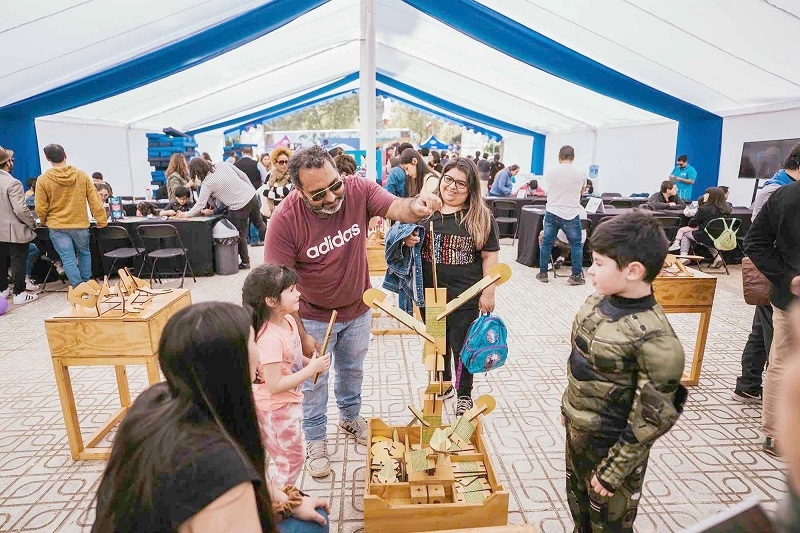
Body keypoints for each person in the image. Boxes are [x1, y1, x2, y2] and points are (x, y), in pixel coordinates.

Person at [263, 145, 443, 478]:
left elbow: (396, 206)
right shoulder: (285, 221)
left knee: (353, 369)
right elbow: (275, 287)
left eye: (335, 186)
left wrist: (417, 206)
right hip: (313, 317)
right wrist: (299, 334)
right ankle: (315, 437)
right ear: (298, 192)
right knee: (314, 380)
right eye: (318, 194)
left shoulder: (358, 189)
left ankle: (349, 417)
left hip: (358, 307)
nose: (332, 198)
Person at [91, 302, 330, 532]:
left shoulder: (158, 400)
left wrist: (288, 501)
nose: (259, 352)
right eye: (252, 342)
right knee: (314, 524)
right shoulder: (221, 466)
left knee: (304, 507)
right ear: (232, 364)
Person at [563, 210, 687, 532]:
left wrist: (614, 470)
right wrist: (568, 410)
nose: (590, 271)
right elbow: (580, 362)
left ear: (633, 270)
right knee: (580, 512)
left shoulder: (657, 338)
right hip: (579, 436)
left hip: (613, 450)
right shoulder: (596, 303)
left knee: (609, 523)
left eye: (599, 263)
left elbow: (653, 416)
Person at [404, 157, 500, 416]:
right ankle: (442, 383)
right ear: (441, 178)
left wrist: (488, 291)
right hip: (431, 295)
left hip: (465, 297)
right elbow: (404, 237)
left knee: (462, 346)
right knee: (436, 344)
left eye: (461, 183)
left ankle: (464, 394)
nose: (453, 187)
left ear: (471, 189)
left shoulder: (480, 217)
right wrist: (409, 239)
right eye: (449, 179)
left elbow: (490, 256)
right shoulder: (426, 211)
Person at [243, 265, 331, 485]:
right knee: (290, 461)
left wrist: (312, 363)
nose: (298, 293)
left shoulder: (289, 320)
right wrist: (310, 370)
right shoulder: (269, 339)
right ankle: (280, 503)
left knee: (292, 457)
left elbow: (293, 359)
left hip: (288, 403)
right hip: (275, 410)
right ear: (271, 301)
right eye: (291, 290)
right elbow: (274, 385)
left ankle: (281, 497)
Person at [732, 149, 799, 404]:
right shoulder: (777, 191)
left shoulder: (781, 187)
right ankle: (753, 385)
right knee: (770, 336)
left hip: (777, 275)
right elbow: (759, 237)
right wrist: (785, 275)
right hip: (775, 275)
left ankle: (748, 384)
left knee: (761, 329)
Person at [745, 179, 800, 457]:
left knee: (782, 361)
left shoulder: (783, 195)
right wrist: (788, 279)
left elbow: (754, 242)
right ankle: (776, 433)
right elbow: (754, 243)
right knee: (783, 362)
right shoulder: (785, 196)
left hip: (789, 293)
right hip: (791, 299)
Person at [35, 144, 107, 287]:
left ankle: (78, 287)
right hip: (79, 224)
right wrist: (101, 220)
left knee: (67, 258)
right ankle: (88, 282)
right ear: (65, 155)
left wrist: (43, 220)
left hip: (57, 225)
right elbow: (95, 200)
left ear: (47, 158)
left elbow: (41, 206)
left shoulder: (43, 180)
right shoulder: (81, 176)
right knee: (84, 253)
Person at [181, 158, 266, 269]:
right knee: (259, 223)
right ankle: (275, 246)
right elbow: (243, 175)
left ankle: (245, 262)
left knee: (240, 234)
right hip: (251, 196)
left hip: (238, 207)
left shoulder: (207, 183)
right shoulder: (222, 164)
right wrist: (250, 189)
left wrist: (186, 214)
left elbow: (200, 204)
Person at [537, 146, 587, 285]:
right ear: (573, 158)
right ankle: (576, 276)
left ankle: (543, 273)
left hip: (552, 211)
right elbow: (582, 192)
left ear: (559, 157)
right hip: (571, 212)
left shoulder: (550, 172)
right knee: (576, 245)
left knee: (547, 242)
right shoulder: (581, 174)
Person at [0, 146, 38, 305]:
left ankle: (3, 290)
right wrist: (32, 223)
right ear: (7, 162)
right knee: (19, 260)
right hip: (14, 229)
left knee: (1, 261)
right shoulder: (12, 182)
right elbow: (20, 209)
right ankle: (19, 292)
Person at [676, 187, 730, 267]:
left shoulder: (704, 209)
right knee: (710, 235)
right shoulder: (726, 210)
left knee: (685, 233)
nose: (704, 195)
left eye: (707, 194)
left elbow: (692, 223)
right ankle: (717, 257)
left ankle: (683, 256)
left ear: (712, 196)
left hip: (705, 237)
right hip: (721, 237)